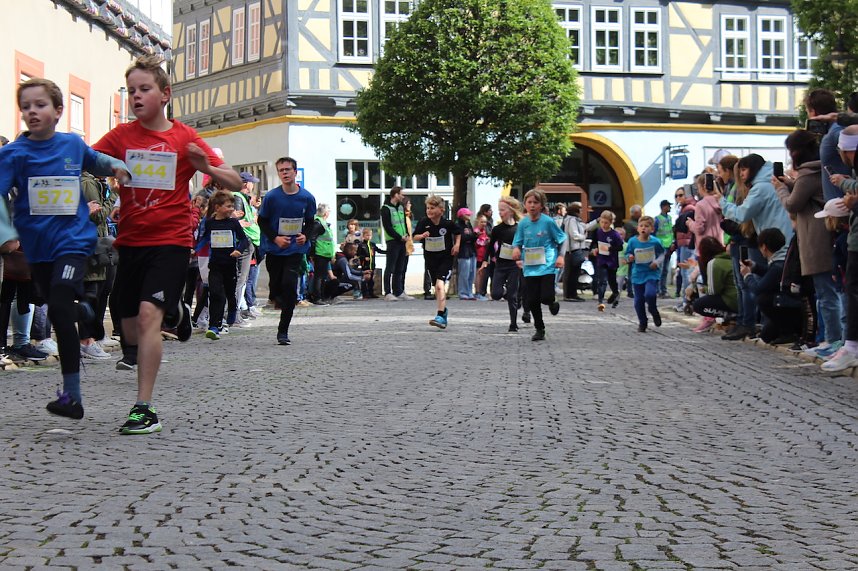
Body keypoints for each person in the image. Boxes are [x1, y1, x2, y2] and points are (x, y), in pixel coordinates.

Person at [94, 56, 242, 434]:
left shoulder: (184, 138)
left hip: (171, 241)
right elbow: (86, 158)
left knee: (147, 317)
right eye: (131, 91)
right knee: (127, 326)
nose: (136, 97)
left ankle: (144, 408)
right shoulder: (121, 137)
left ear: (165, 94)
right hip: (131, 243)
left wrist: (204, 165)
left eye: (144, 89)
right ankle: (174, 307)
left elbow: (237, 182)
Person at [0, 78, 128, 420]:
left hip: (72, 241)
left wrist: (116, 166)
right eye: (25, 106)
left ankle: (84, 317)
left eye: (39, 105)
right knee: (55, 309)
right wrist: (5, 230)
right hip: (37, 247)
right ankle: (73, 391)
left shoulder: (71, 144)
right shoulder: (13, 154)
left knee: (59, 300)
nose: (31, 111)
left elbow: (95, 160)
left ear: (58, 111)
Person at [773, 129, 841, 358]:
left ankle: (833, 340)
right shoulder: (817, 170)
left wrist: (781, 188)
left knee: (826, 294)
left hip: (816, 238)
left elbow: (793, 204)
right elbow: (807, 195)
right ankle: (829, 338)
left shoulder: (808, 173)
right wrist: (791, 183)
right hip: (821, 236)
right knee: (826, 292)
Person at [257, 156, 316, 346]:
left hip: (295, 250)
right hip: (275, 248)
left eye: (287, 170)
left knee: (290, 286)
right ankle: (276, 296)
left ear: (295, 172)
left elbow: (311, 222)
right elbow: (262, 221)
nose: (284, 173)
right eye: (281, 170)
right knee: (276, 287)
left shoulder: (306, 197)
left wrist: (305, 236)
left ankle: (283, 331)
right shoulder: (272, 197)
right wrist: (275, 237)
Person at [512, 189, 566, 341]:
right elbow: (518, 241)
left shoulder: (548, 222)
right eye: (529, 202)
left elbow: (563, 239)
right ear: (525, 204)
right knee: (532, 300)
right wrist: (516, 250)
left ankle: (552, 302)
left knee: (546, 296)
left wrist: (561, 256)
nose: (532, 205)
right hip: (530, 267)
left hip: (547, 264)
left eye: (536, 203)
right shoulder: (523, 223)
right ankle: (539, 329)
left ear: (542, 205)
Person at [195, 190, 248, 340]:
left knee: (230, 293)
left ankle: (232, 310)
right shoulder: (210, 223)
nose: (232, 209)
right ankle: (214, 326)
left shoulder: (233, 223)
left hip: (230, 264)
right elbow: (205, 239)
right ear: (217, 207)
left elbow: (244, 240)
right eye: (228, 206)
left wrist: (238, 250)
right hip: (215, 264)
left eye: (232, 206)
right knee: (216, 293)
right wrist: (195, 250)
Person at [740, 228, 802, 345]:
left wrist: (747, 276)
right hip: (791, 306)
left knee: (763, 299)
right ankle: (783, 330)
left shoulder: (777, 264)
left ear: (764, 247)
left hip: (790, 308)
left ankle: (788, 332)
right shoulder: (781, 260)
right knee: (766, 336)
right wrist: (755, 267)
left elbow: (759, 289)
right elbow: (770, 275)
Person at [412, 195, 460, 329]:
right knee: (437, 287)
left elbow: (458, 232)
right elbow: (415, 236)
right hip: (430, 259)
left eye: (432, 208)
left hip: (445, 258)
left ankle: (439, 315)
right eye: (427, 208)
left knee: (440, 285)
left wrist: (457, 245)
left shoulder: (448, 224)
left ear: (441, 210)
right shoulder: (423, 222)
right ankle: (443, 313)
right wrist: (422, 236)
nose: (429, 211)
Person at [625, 216, 665, 332]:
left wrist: (657, 262)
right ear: (637, 228)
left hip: (651, 273)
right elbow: (627, 254)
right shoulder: (633, 241)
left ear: (652, 229)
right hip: (637, 274)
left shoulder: (655, 242)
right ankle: (643, 322)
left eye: (646, 226)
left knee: (650, 294)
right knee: (638, 301)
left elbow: (662, 254)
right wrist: (629, 257)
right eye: (641, 226)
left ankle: (653, 311)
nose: (643, 228)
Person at [489, 196, 524, 331]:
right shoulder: (497, 229)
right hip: (500, 265)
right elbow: (491, 246)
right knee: (496, 294)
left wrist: (522, 258)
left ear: (510, 211)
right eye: (499, 210)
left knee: (512, 295)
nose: (500, 213)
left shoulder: (519, 228)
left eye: (502, 210)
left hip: (514, 265)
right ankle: (504, 291)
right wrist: (491, 259)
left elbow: (524, 244)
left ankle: (513, 324)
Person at [232, 172, 260, 324]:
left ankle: (234, 313)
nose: (252, 185)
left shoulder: (242, 198)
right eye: (251, 182)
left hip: (247, 241)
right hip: (243, 242)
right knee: (240, 280)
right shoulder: (238, 197)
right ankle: (233, 314)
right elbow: (238, 219)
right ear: (245, 183)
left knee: (241, 279)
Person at [691, 237, 738, 324]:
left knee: (697, 305)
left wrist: (704, 289)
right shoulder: (731, 258)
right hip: (740, 298)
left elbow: (713, 291)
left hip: (730, 300)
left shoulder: (714, 263)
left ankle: (730, 315)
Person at [591, 210, 624, 310]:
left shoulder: (615, 235)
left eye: (606, 223)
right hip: (601, 260)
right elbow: (594, 243)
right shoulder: (598, 232)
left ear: (610, 223)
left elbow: (620, 247)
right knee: (602, 280)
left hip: (612, 261)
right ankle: (600, 301)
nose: (604, 225)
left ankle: (615, 293)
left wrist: (610, 248)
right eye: (602, 222)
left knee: (612, 281)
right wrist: (595, 249)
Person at [381, 186, 409, 300]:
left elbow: (404, 223)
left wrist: (406, 234)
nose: (403, 197)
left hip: (402, 241)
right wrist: (399, 237)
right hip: (393, 241)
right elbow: (388, 227)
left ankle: (398, 291)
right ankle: (388, 292)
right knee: (390, 266)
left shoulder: (401, 207)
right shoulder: (385, 208)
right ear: (395, 195)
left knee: (400, 267)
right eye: (401, 194)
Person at [559, 201, 588, 302]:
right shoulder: (571, 220)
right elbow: (574, 235)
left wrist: (596, 222)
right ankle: (569, 294)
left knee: (575, 273)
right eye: (580, 209)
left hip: (574, 250)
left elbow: (586, 227)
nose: (582, 211)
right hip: (571, 250)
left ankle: (573, 294)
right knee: (571, 273)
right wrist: (583, 237)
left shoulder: (575, 220)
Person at [308, 203, 336, 305]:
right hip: (320, 253)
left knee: (323, 276)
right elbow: (312, 239)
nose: (329, 213)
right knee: (319, 276)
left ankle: (322, 297)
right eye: (328, 211)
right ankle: (317, 298)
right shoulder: (318, 223)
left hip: (325, 253)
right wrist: (312, 254)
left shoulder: (323, 223)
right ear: (325, 212)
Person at [455, 207, 477, 300]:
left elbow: (472, 237)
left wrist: (474, 235)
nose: (469, 216)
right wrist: (470, 236)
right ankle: (462, 292)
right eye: (466, 214)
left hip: (471, 250)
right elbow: (461, 238)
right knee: (464, 272)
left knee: (472, 272)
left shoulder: (468, 225)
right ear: (461, 215)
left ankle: (469, 291)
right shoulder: (458, 225)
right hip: (463, 251)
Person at [654, 199, 674, 298]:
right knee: (660, 269)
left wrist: (672, 243)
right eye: (668, 206)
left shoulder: (670, 218)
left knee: (665, 269)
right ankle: (657, 290)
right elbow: (654, 233)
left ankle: (663, 290)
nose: (670, 208)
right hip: (661, 247)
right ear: (663, 207)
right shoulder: (657, 219)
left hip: (669, 246)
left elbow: (670, 232)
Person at [356, 227, 384, 298]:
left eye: (370, 235)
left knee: (371, 280)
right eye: (367, 235)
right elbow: (358, 255)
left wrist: (387, 252)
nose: (368, 237)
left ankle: (371, 293)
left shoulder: (372, 244)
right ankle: (364, 294)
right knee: (365, 280)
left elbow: (378, 250)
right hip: (365, 265)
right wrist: (364, 258)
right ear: (363, 236)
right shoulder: (361, 245)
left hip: (372, 265)